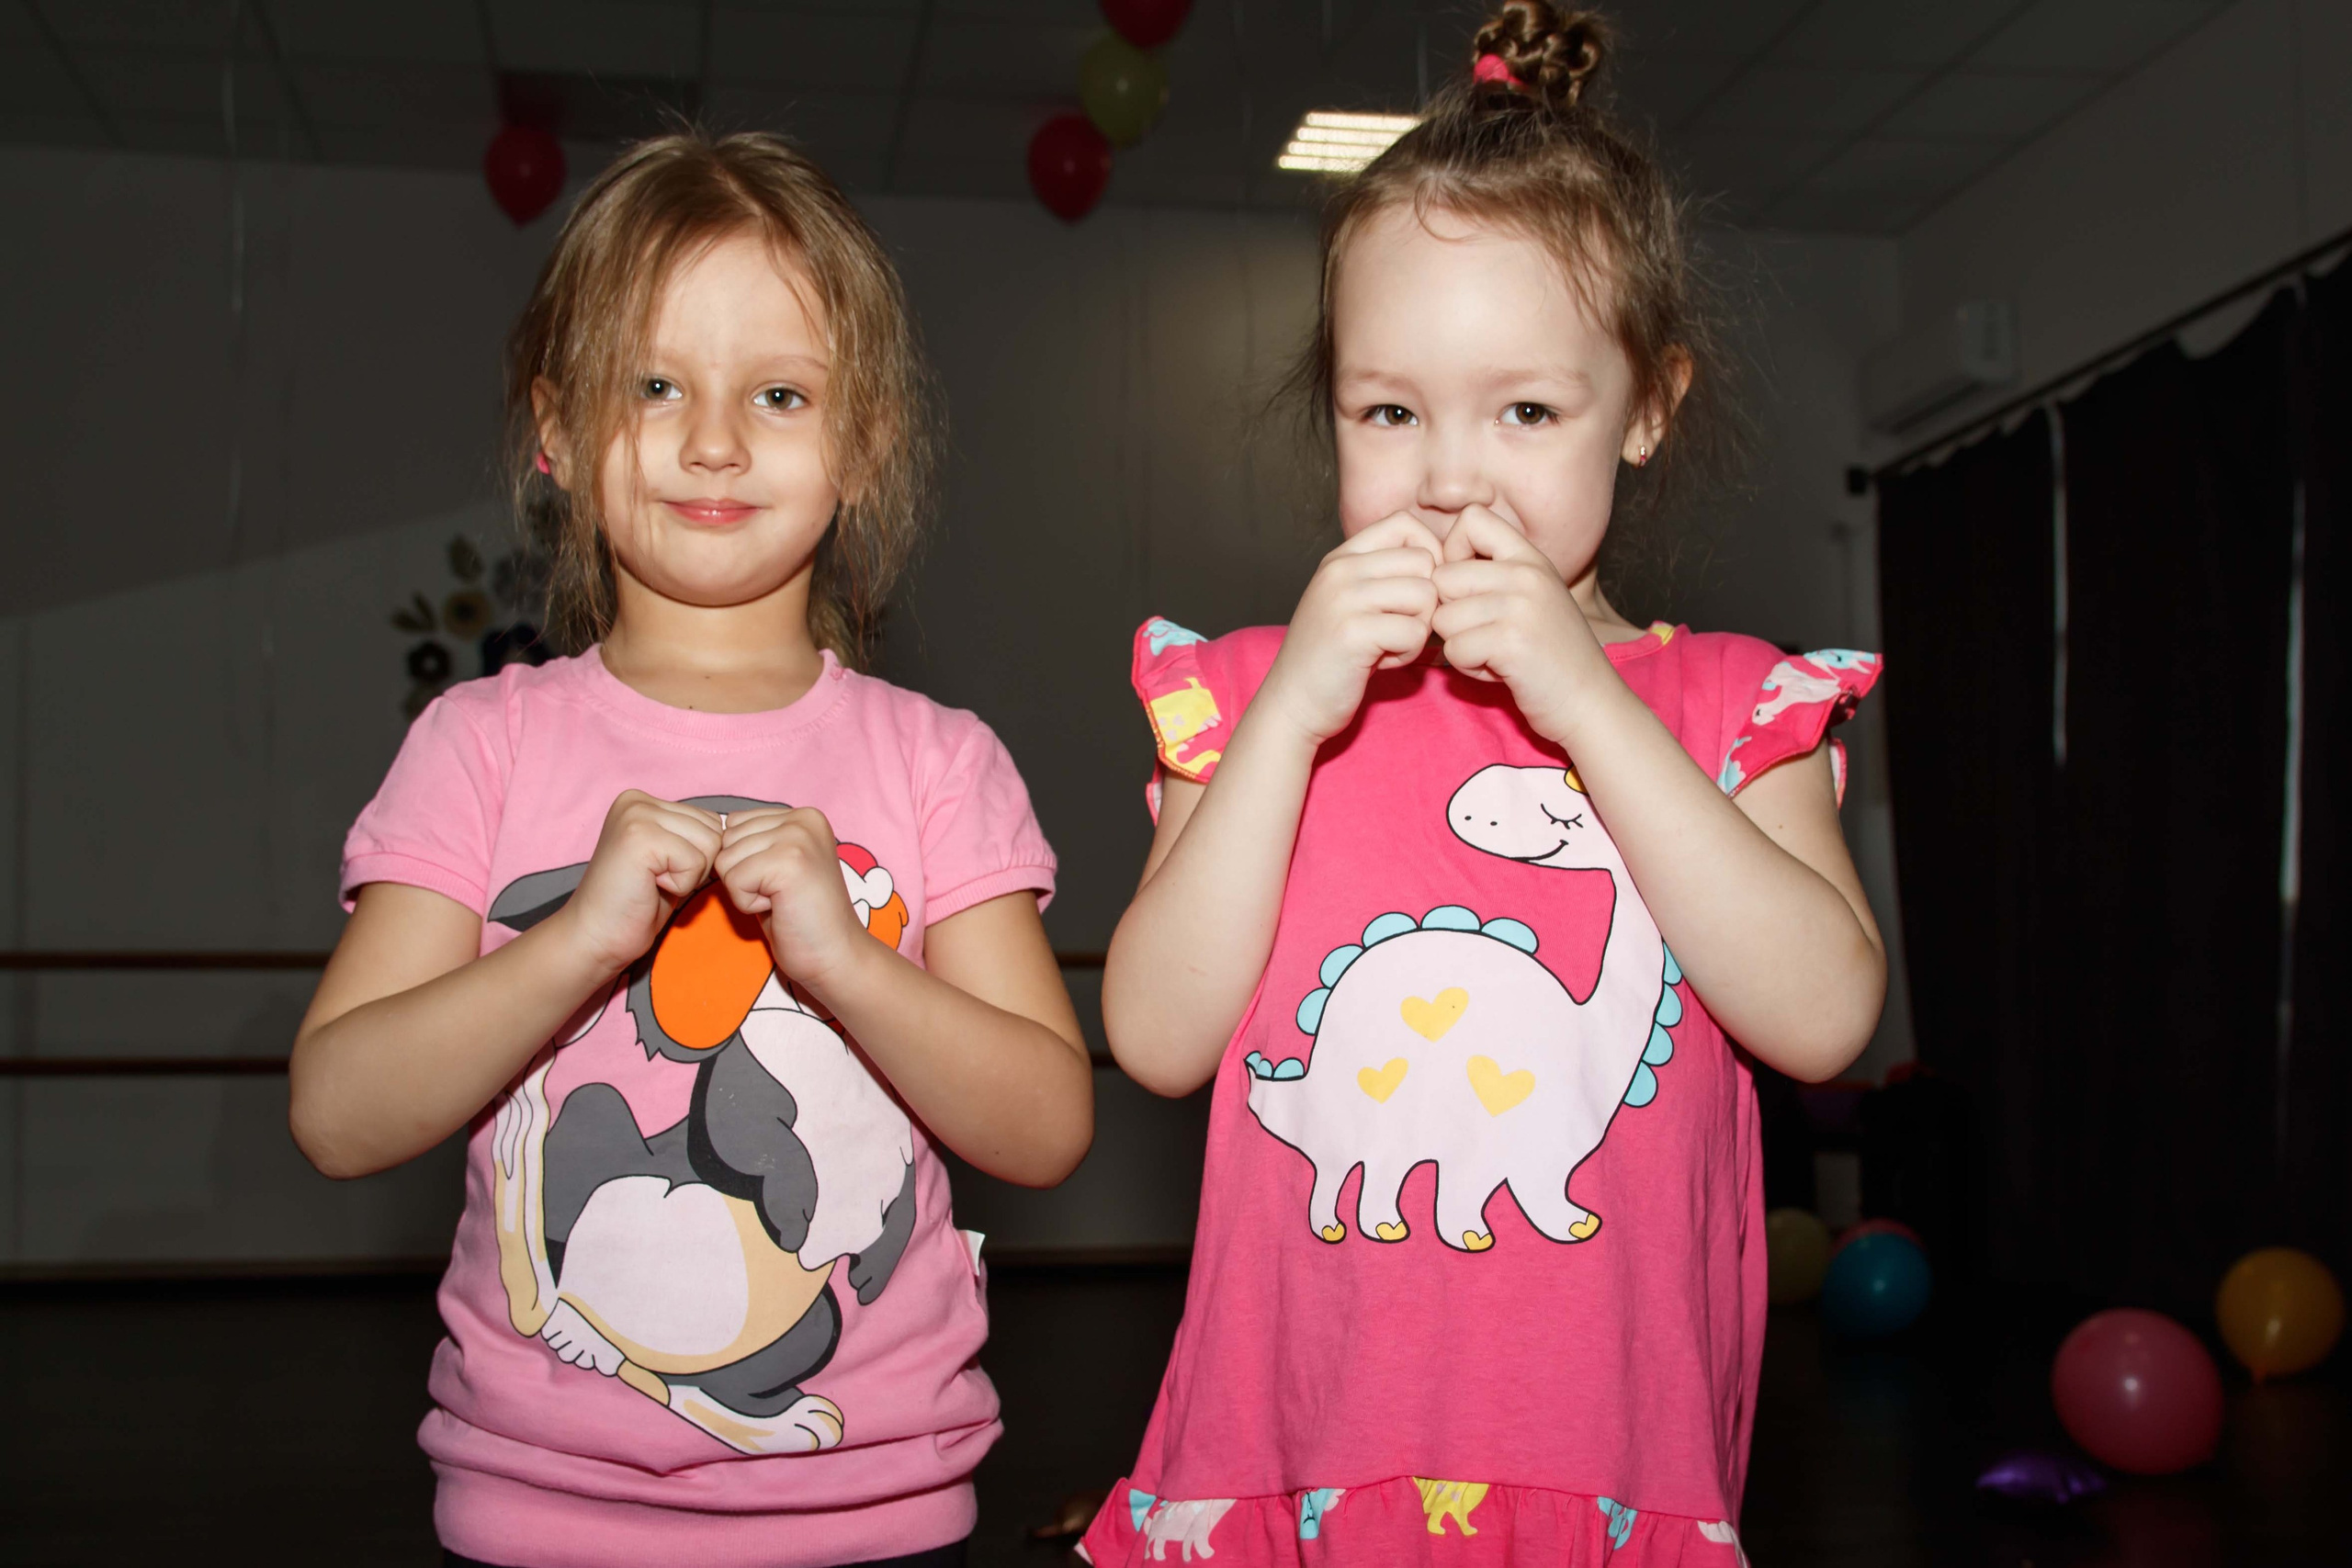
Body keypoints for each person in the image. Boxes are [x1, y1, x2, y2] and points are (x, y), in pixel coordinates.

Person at [1081, 5, 1885, 1562]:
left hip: (1604, 1475)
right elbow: (1158, 1041)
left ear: (1646, 408)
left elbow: (1823, 1016)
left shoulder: (1735, 706)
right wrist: (1292, 718)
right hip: (1294, 1465)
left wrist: (1589, 704)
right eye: (1390, 412)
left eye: (1526, 411)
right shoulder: (1243, 700)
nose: (1451, 477)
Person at [288, 130, 1092, 1568]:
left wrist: (845, 960)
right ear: (557, 428)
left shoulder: (937, 760)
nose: (713, 440)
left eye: (779, 394)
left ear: (865, 442)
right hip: (539, 1519)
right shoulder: (481, 745)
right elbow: (338, 1115)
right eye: (654, 385)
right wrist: (581, 943)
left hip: (875, 1518)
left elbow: (1045, 1126)